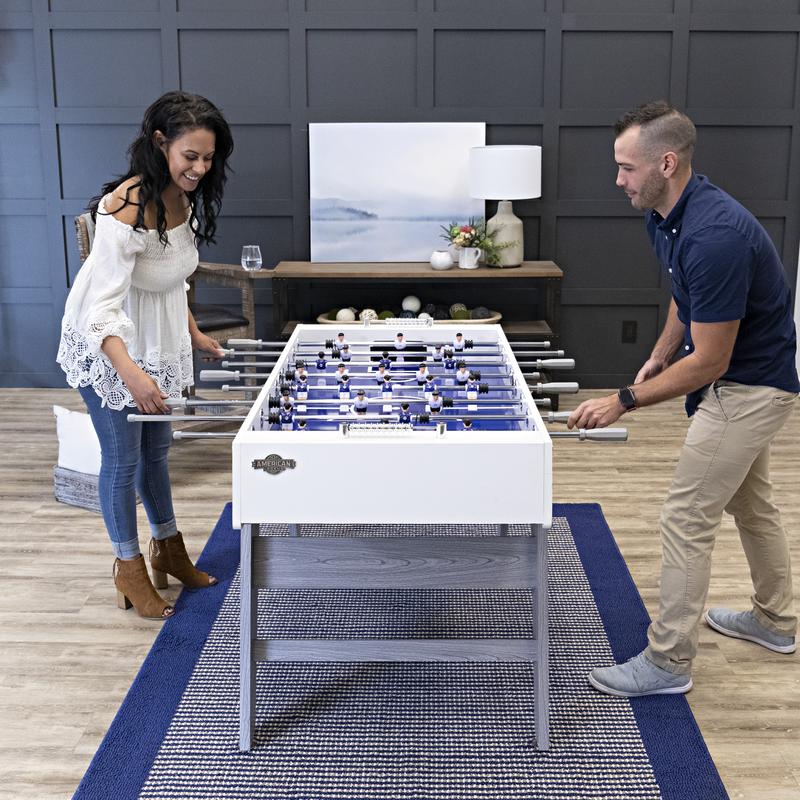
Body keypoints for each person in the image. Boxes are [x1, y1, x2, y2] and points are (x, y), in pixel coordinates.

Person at [567, 101, 798, 696]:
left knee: (685, 517)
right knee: (752, 505)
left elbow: (714, 360)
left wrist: (626, 397)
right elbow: (685, 295)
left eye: (626, 168)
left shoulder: (714, 234)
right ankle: (775, 622)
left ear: (665, 163)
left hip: (747, 387)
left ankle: (668, 663)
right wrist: (663, 352)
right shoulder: (670, 214)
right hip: (739, 377)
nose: (618, 180)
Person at [56, 91, 234, 620]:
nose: (200, 168)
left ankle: (168, 549)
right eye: (190, 157)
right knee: (123, 458)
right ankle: (128, 567)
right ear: (161, 144)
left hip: (154, 342)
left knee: (157, 453)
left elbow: (169, 279)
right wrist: (130, 373)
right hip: (108, 347)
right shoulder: (126, 206)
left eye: (209, 157)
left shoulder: (184, 198)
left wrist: (194, 332)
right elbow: (101, 311)